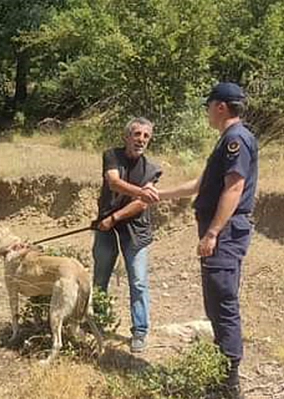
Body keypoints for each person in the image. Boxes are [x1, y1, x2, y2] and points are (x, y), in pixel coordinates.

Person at [155, 82, 257, 398]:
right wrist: (159, 195)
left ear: (221, 107)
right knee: (215, 300)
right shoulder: (227, 139)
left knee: (222, 302)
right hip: (222, 232)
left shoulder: (235, 140)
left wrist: (213, 232)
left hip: (225, 234)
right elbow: (202, 184)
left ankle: (228, 383)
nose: (207, 111)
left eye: (208, 105)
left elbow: (233, 189)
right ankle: (221, 373)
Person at [93, 117, 161, 353]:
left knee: (139, 281)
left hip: (135, 229)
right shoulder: (111, 155)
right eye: (137, 134)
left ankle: (140, 331)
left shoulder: (152, 169)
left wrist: (115, 218)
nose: (141, 139)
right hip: (105, 225)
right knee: (101, 277)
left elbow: (141, 204)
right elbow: (113, 183)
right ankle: (97, 323)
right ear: (126, 137)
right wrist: (142, 192)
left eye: (146, 136)